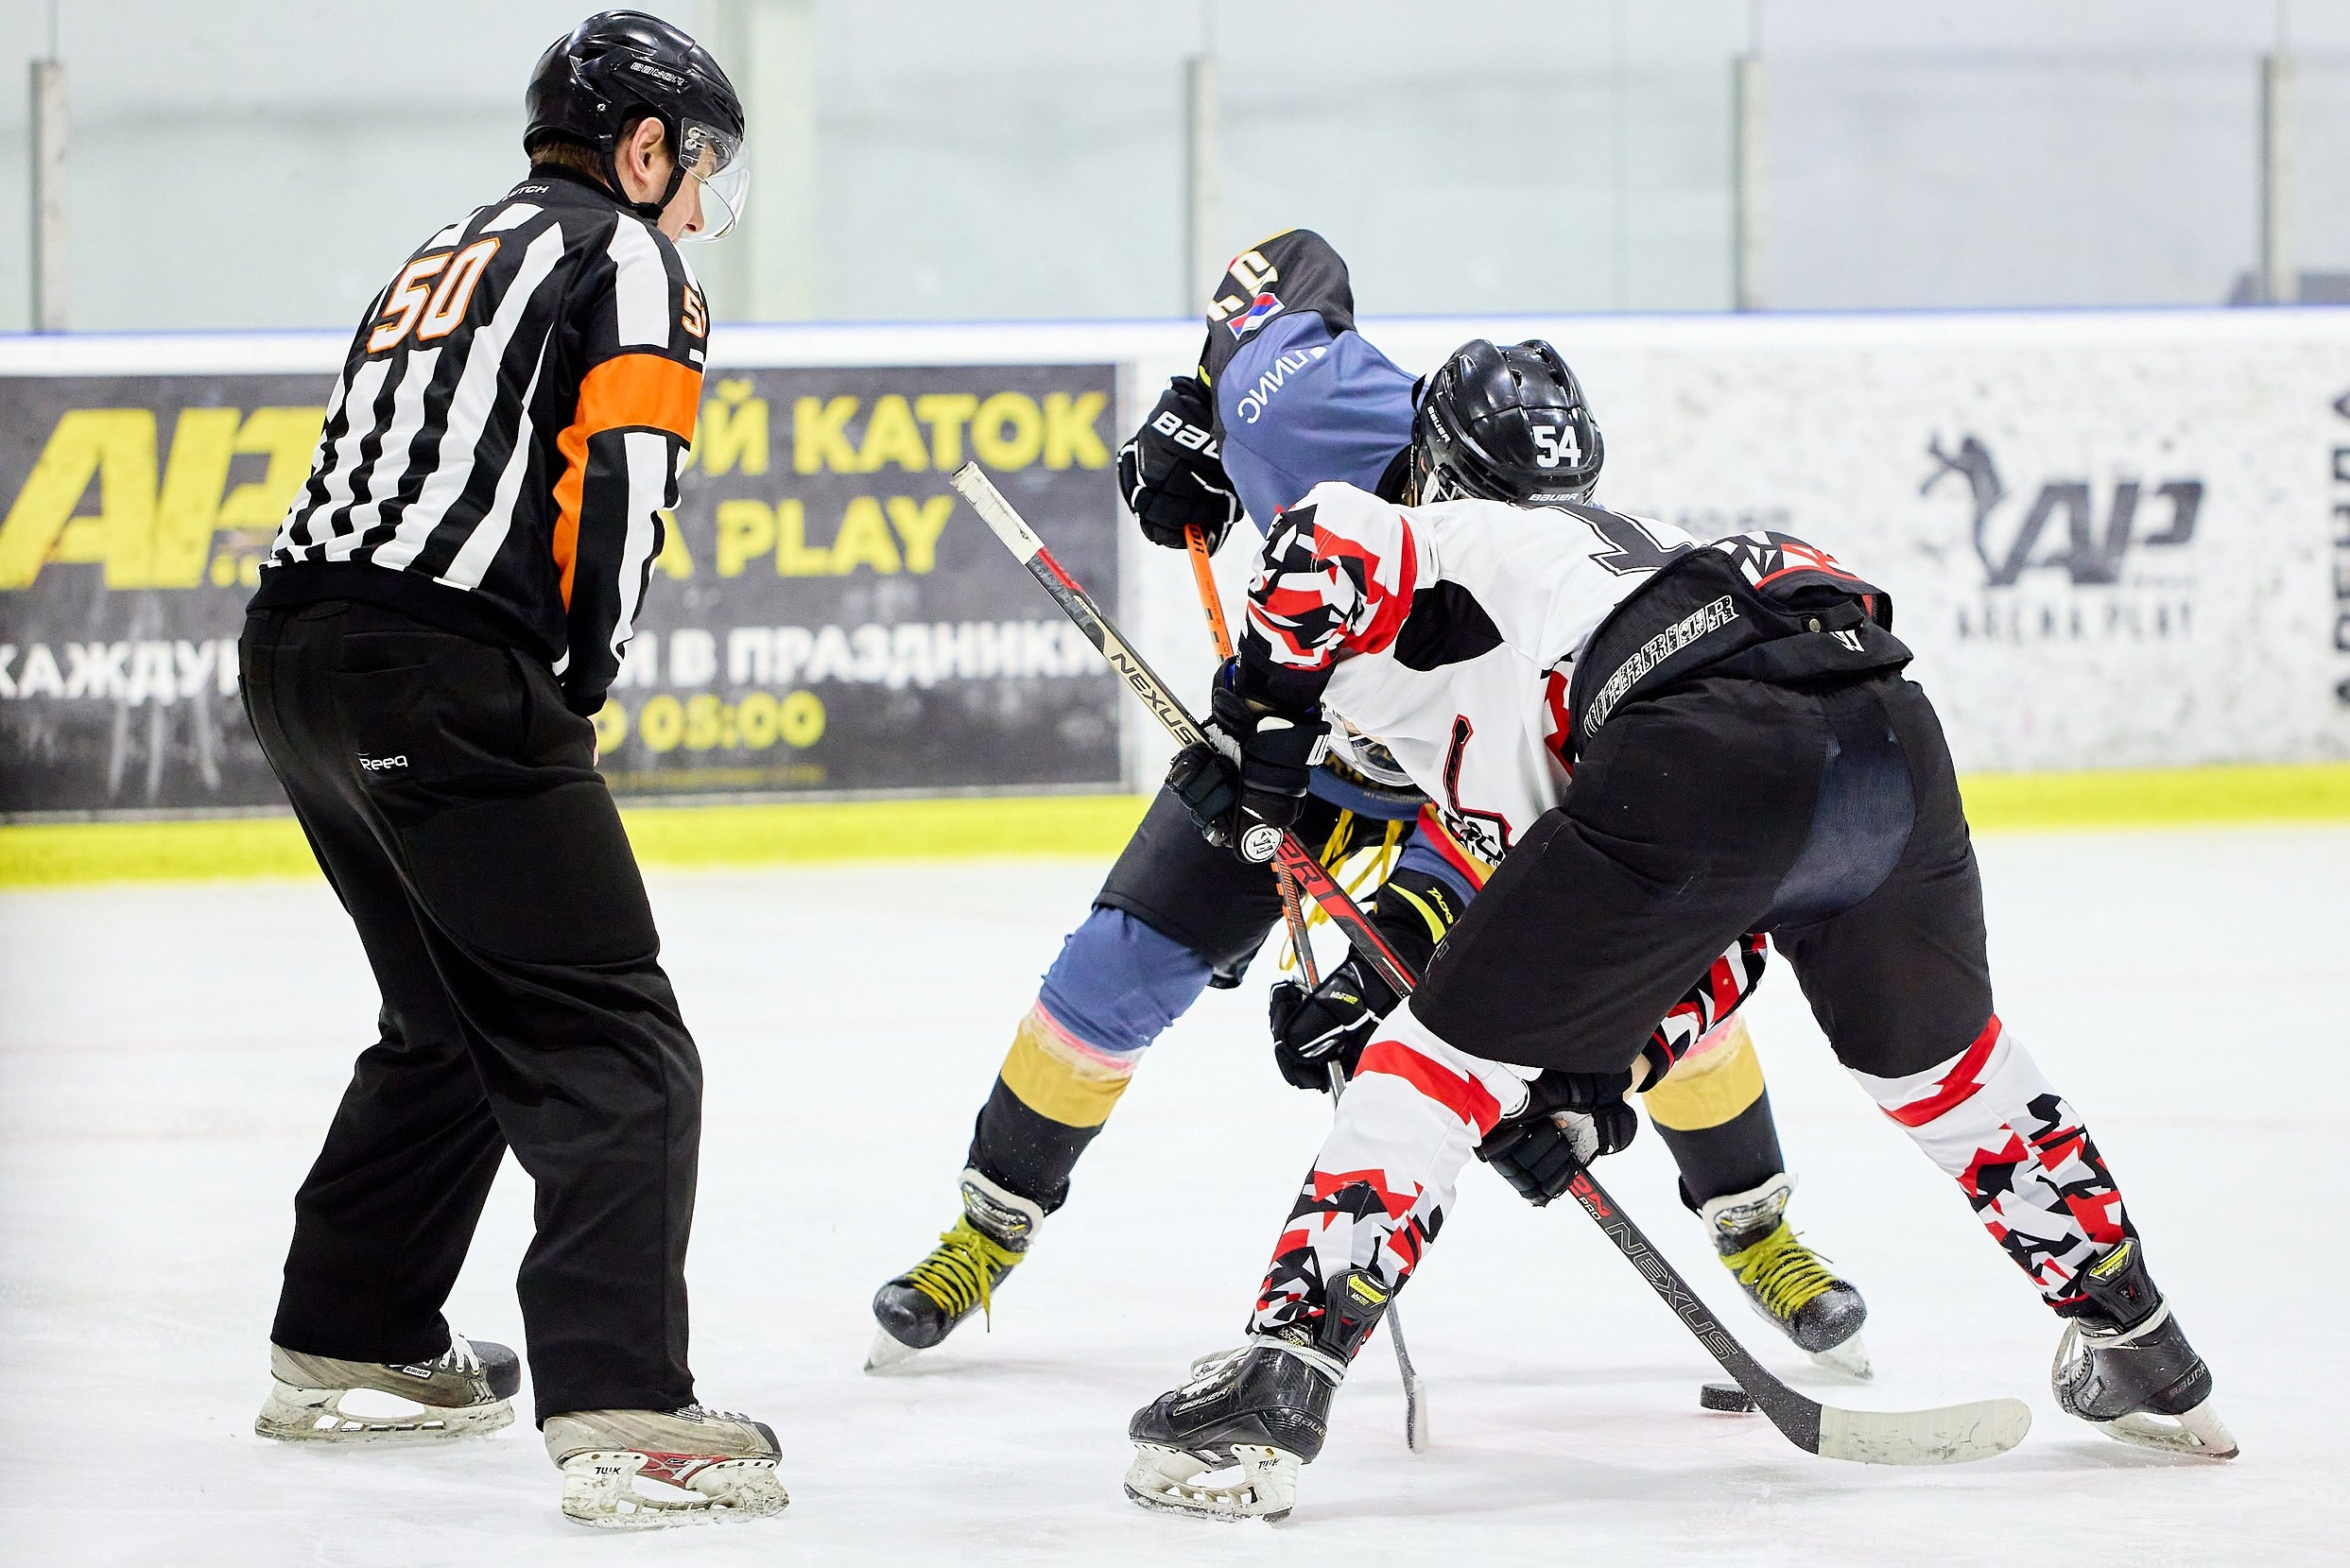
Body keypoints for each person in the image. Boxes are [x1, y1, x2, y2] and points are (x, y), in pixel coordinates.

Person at [1120, 351, 2235, 1520]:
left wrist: (1260, 745)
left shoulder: (1449, 539)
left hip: (1701, 727)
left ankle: (1267, 1396)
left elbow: (1314, 542)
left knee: (1427, 1069)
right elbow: (1710, 929)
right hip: (1876, 720)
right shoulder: (1595, 573)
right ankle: (2142, 1352)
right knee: (1945, 1070)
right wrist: (1587, 1085)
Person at [869, 231, 1870, 1379]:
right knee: (1111, 969)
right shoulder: (1313, 412)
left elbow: (1512, 846)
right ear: (1432, 470)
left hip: (1466, 800)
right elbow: (1278, 270)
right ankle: (984, 1231)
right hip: (1297, 756)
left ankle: (1758, 1229)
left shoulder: (1584, 609)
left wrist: (1378, 966)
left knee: (1662, 994)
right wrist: (1197, 408)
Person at [238, 11, 781, 1530]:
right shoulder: (629, 262)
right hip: (444, 668)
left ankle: (351, 1334)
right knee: (614, 1041)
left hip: (293, 653)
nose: (699, 199)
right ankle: (626, 1411)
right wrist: (572, 691)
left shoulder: (451, 242)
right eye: (699, 162)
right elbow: (617, 484)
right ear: (644, 141)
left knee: (449, 1013)